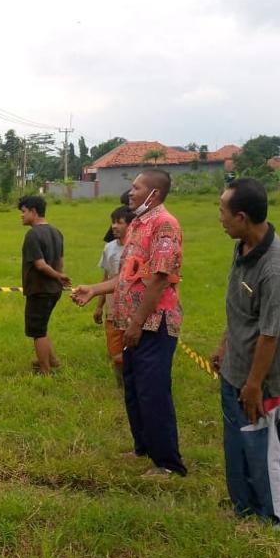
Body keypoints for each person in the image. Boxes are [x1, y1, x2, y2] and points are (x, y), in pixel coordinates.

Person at [72, 169, 187, 477]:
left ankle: (168, 465)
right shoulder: (137, 225)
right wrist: (93, 289)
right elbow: (126, 277)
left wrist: (137, 322)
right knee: (134, 389)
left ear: (155, 194)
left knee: (153, 392)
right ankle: (143, 449)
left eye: (137, 188)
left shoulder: (165, 225)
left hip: (154, 324)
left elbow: (159, 278)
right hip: (132, 324)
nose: (131, 192)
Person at [211, 178, 280, 526]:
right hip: (235, 369)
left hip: (262, 381)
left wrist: (254, 384)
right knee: (238, 445)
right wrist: (224, 344)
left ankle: (278, 519)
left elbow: (270, 333)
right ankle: (245, 509)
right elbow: (241, 312)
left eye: (222, 211)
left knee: (265, 449)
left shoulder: (276, 268)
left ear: (242, 217)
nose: (219, 217)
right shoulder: (243, 247)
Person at [18, 195, 70, 375]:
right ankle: (53, 360)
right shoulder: (56, 231)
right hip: (54, 290)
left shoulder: (33, 235)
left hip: (40, 290)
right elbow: (60, 261)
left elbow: (40, 265)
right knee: (42, 326)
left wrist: (57, 276)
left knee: (37, 331)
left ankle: (45, 370)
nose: (21, 216)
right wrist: (59, 278)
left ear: (33, 211)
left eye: (23, 212)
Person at [93, 205, 135, 386]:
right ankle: (122, 384)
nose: (114, 226)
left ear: (130, 225)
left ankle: (135, 381)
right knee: (115, 351)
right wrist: (99, 306)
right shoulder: (109, 248)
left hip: (133, 310)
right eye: (113, 222)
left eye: (119, 222)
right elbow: (106, 277)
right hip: (112, 310)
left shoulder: (136, 249)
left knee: (134, 348)